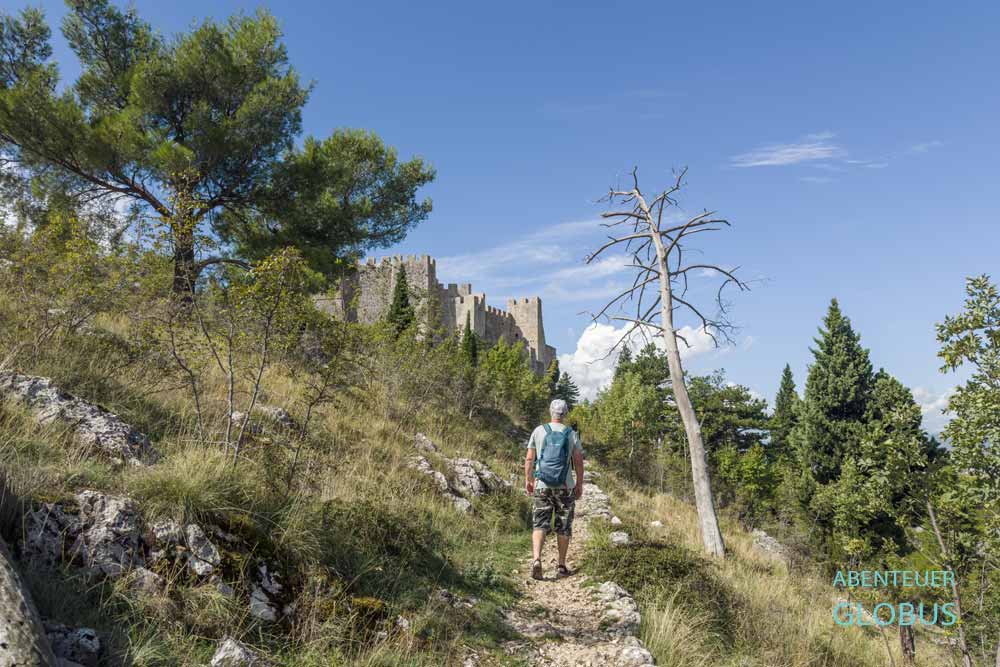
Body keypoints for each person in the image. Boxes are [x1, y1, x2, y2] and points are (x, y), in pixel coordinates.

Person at [524, 398, 584, 580]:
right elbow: (578, 461)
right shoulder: (571, 434)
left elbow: (529, 459)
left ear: (551, 412)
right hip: (565, 487)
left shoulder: (538, 431)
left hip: (542, 485)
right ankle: (561, 565)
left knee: (539, 523)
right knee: (563, 527)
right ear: (565, 414)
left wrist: (529, 480)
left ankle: (536, 559)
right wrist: (579, 483)